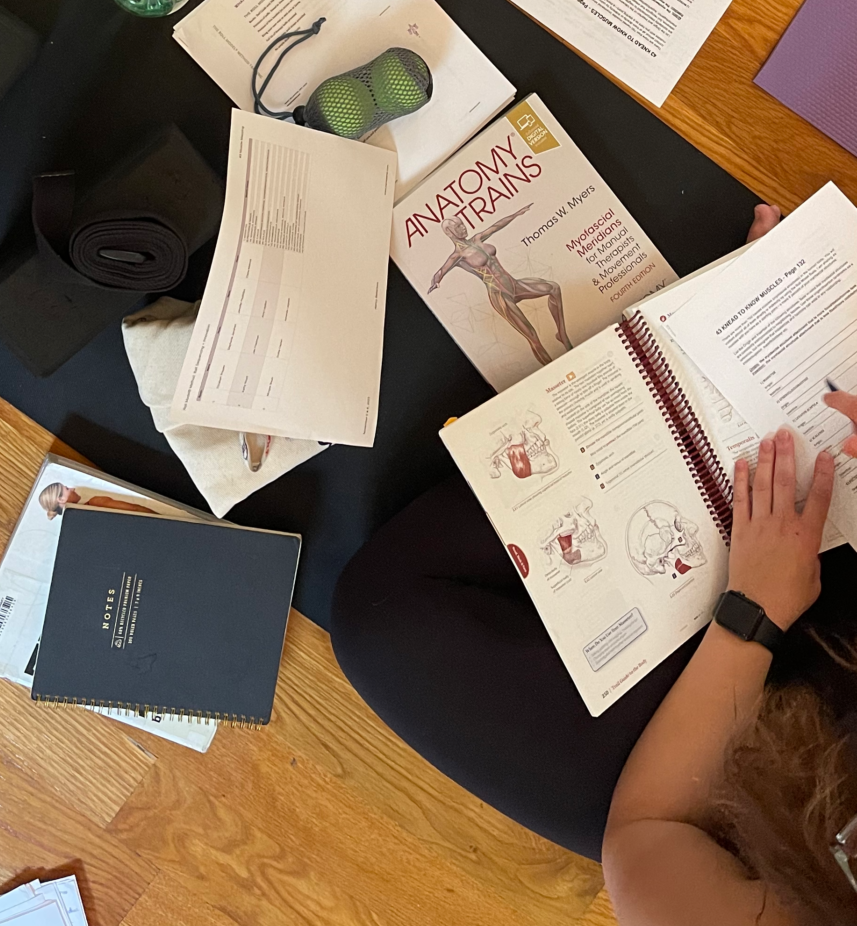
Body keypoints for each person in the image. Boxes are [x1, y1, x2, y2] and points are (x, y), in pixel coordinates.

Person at [331, 204, 857, 921]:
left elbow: (645, 841)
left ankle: (713, 383)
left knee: (385, 622)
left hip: (758, 788)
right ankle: (742, 361)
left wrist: (753, 616)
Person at [427, 205, 570, 368]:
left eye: (462, 223)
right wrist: (435, 282)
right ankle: (554, 370)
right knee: (532, 337)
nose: (463, 227)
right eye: (458, 226)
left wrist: (515, 213)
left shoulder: (477, 239)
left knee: (554, 288)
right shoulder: (457, 256)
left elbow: (497, 226)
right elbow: (441, 271)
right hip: (500, 295)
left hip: (514, 285)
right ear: (450, 233)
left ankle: (562, 334)